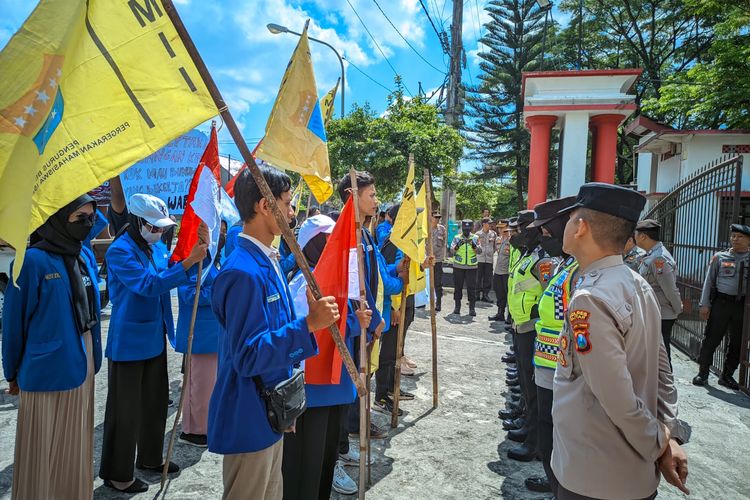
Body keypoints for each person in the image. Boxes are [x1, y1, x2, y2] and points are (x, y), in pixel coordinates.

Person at [208, 167, 339, 500]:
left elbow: (274, 336)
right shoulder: (243, 271)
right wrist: (308, 325)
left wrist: (286, 406)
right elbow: (248, 355)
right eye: (287, 202)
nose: (292, 213)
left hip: (269, 412)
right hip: (249, 416)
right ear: (264, 206)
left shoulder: (268, 262)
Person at [553, 182, 689, 500]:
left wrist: (660, 444)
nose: (566, 226)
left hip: (595, 475)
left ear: (581, 226)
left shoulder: (591, 297)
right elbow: (663, 371)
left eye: (571, 218)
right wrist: (670, 433)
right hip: (628, 475)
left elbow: (618, 399)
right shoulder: (636, 283)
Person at [99, 194, 208, 493]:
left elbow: (171, 271)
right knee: (125, 410)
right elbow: (149, 285)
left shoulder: (155, 247)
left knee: (155, 403)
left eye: (162, 228)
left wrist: (199, 250)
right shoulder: (120, 251)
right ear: (136, 221)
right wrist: (188, 263)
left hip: (154, 337)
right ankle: (117, 472)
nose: (159, 232)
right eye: (153, 227)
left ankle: (149, 457)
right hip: (129, 341)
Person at [3, 195, 102, 500]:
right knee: (42, 450)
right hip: (46, 371)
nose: (86, 225)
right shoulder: (32, 260)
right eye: (79, 218)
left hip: (83, 361)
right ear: (57, 218)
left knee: (74, 446)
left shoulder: (82, 256)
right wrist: (12, 372)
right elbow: (13, 324)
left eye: (90, 218)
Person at [282, 213, 379, 499]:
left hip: (336, 385)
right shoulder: (303, 283)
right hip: (313, 388)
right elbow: (311, 331)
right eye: (329, 241)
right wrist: (353, 322)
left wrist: (359, 320)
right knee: (306, 463)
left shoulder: (338, 280)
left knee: (325, 458)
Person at [522, 196, 577, 494]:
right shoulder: (566, 264)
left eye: (546, 231)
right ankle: (554, 478)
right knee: (549, 426)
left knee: (557, 427)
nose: (543, 237)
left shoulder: (580, 270)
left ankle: (558, 483)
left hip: (562, 364)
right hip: (546, 360)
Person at [505, 210, 557, 463]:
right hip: (521, 324)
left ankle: (535, 441)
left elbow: (550, 296)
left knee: (536, 387)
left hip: (534, 328)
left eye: (523, 228)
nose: (517, 233)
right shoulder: (528, 255)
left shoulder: (544, 260)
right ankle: (528, 425)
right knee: (527, 382)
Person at [175, 221, 228, 448]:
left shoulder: (215, 261)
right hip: (198, 335)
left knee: (210, 386)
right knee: (198, 387)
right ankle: (194, 429)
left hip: (213, 334)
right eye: (218, 230)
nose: (221, 235)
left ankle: (208, 425)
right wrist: (220, 291)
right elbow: (188, 295)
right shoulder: (190, 261)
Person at [692, 223, 750, 389]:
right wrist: (705, 304)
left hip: (742, 306)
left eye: (740, 237)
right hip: (721, 304)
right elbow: (709, 281)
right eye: (733, 236)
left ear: (749, 241)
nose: (735, 239)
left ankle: (727, 375)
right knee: (711, 338)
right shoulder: (719, 257)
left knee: (738, 343)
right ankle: (703, 373)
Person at [635, 219, 683, 363]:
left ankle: (665, 383)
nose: (634, 237)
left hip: (662, 313)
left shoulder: (659, 258)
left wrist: (676, 309)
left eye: (636, 234)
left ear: (643, 236)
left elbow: (670, 290)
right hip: (653, 311)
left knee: (661, 354)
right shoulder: (650, 254)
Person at [450, 220, 482, 316]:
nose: (466, 231)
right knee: (458, 287)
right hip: (458, 266)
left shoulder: (476, 238)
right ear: (462, 229)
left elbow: (480, 251)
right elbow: (452, 251)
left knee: (471, 288)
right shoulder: (457, 237)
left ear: (471, 228)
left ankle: (472, 308)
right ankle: (457, 307)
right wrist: (459, 244)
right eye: (464, 229)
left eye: (468, 229)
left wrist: (473, 244)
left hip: (471, 267)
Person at [489, 221, 511, 322]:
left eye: (503, 228)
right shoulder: (498, 239)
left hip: (507, 272)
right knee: (499, 293)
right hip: (498, 271)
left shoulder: (511, 241)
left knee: (509, 295)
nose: (501, 230)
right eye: (499, 228)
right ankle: (500, 313)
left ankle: (510, 317)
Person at [476, 218, 497, 302]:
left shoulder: (493, 234)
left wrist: (490, 252)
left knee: (488, 278)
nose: (490, 225)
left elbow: (495, 247)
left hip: (489, 259)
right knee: (478, 277)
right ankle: (476, 294)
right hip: (479, 259)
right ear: (484, 224)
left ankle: (485, 295)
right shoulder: (478, 234)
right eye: (489, 223)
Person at [431, 210, 447, 311]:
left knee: (438, 282)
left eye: (438, 218)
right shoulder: (426, 228)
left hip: (438, 259)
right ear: (431, 217)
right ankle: (422, 301)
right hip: (427, 259)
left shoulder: (442, 229)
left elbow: (444, 243)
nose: (437, 219)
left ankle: (438, 303)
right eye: (435, 217)